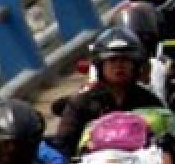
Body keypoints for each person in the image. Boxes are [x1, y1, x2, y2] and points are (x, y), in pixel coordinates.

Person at [54, 27, 164, 156]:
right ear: (100, 65)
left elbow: (163, 143)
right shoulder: (81, 103)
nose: (119, 65)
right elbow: (63, 145)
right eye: (112, 60)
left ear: (135, 64)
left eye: (124, 60)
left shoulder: (149, 101)